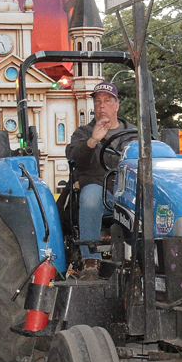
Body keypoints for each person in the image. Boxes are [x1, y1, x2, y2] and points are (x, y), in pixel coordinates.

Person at [65, 82, 135, 280]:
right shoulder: (83, 133)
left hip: (129, 192)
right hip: (100, 191)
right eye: (97, 102)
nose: (101, 105)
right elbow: (74, 156)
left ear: (117, 105)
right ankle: (90, 262)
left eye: (107, 100)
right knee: (90, 196)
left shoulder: (133, 134)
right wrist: (93, 141)